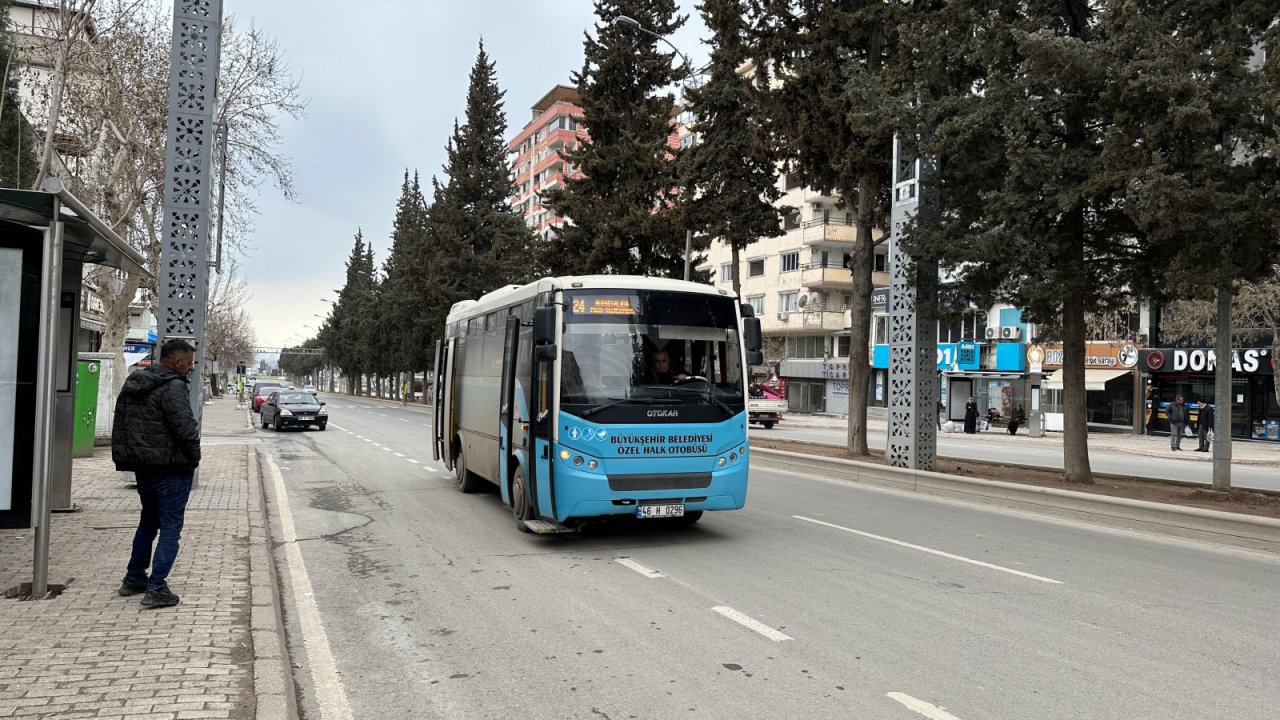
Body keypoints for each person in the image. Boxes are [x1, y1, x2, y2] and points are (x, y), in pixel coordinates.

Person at [112, 338, 202, 608]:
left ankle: (134, 578)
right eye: (189, 362)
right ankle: (157, 588)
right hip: (171, 469)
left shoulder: (135, 381)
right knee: (171, 528)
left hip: (144, 468)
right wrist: (194, 459)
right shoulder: (173, 386)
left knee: (148, 522)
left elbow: (122, 423)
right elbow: (185, 428)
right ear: (177, 361)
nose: (191, 367)